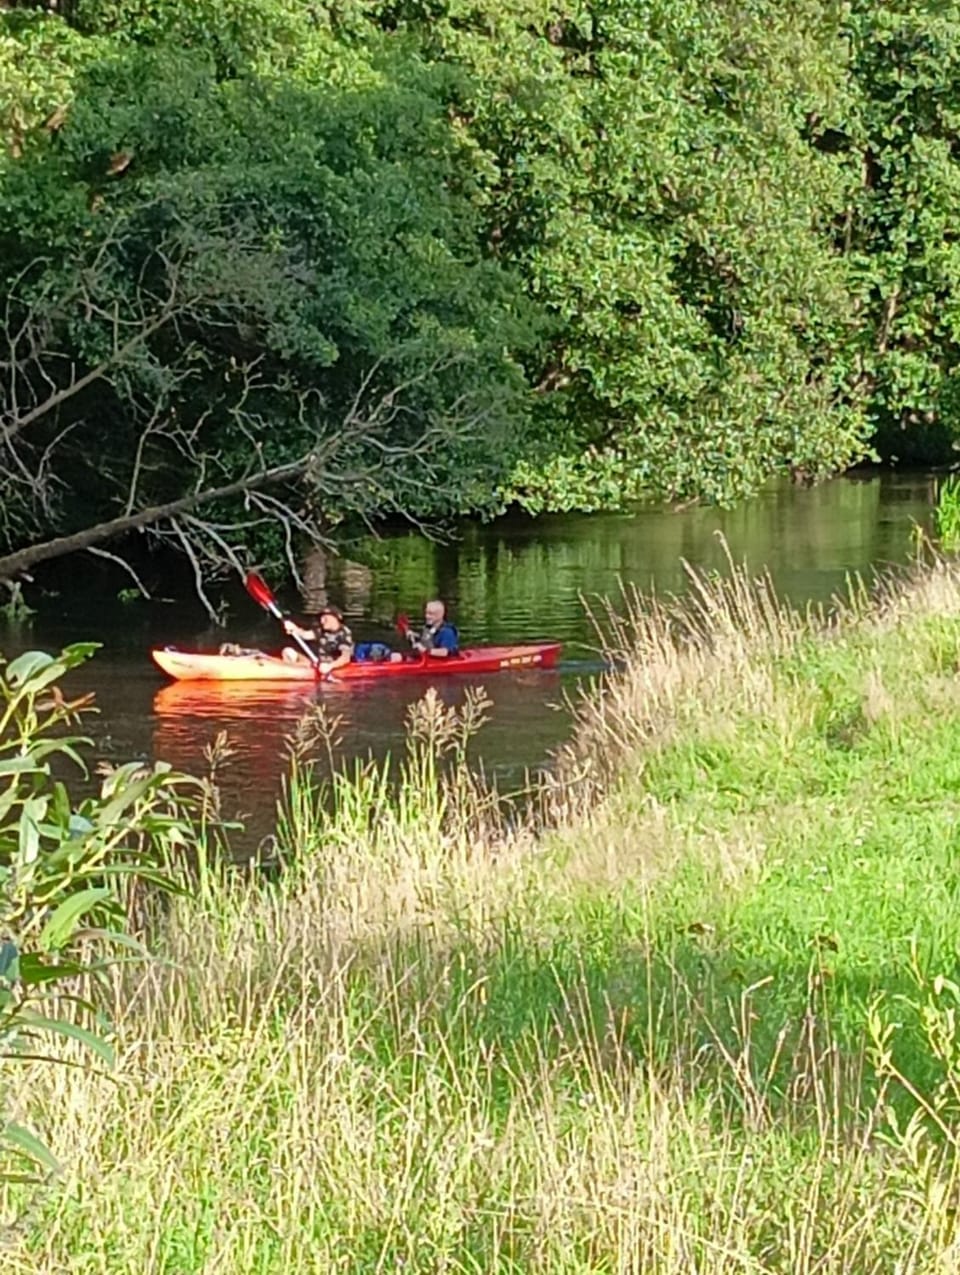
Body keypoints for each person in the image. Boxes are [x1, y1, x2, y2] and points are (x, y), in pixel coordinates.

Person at [281, 604, 354, 675]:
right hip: (316, 663)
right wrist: (294, 628)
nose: (322, 621)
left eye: (325, 618)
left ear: (335, 618)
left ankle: (291, 672)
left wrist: (330, 666)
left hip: (330, 666)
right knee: (288, 651)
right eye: (321, 618)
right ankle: (288, 671)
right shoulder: (322, 630)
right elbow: (305, 635)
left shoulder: (344, 633)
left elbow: (345, 658)